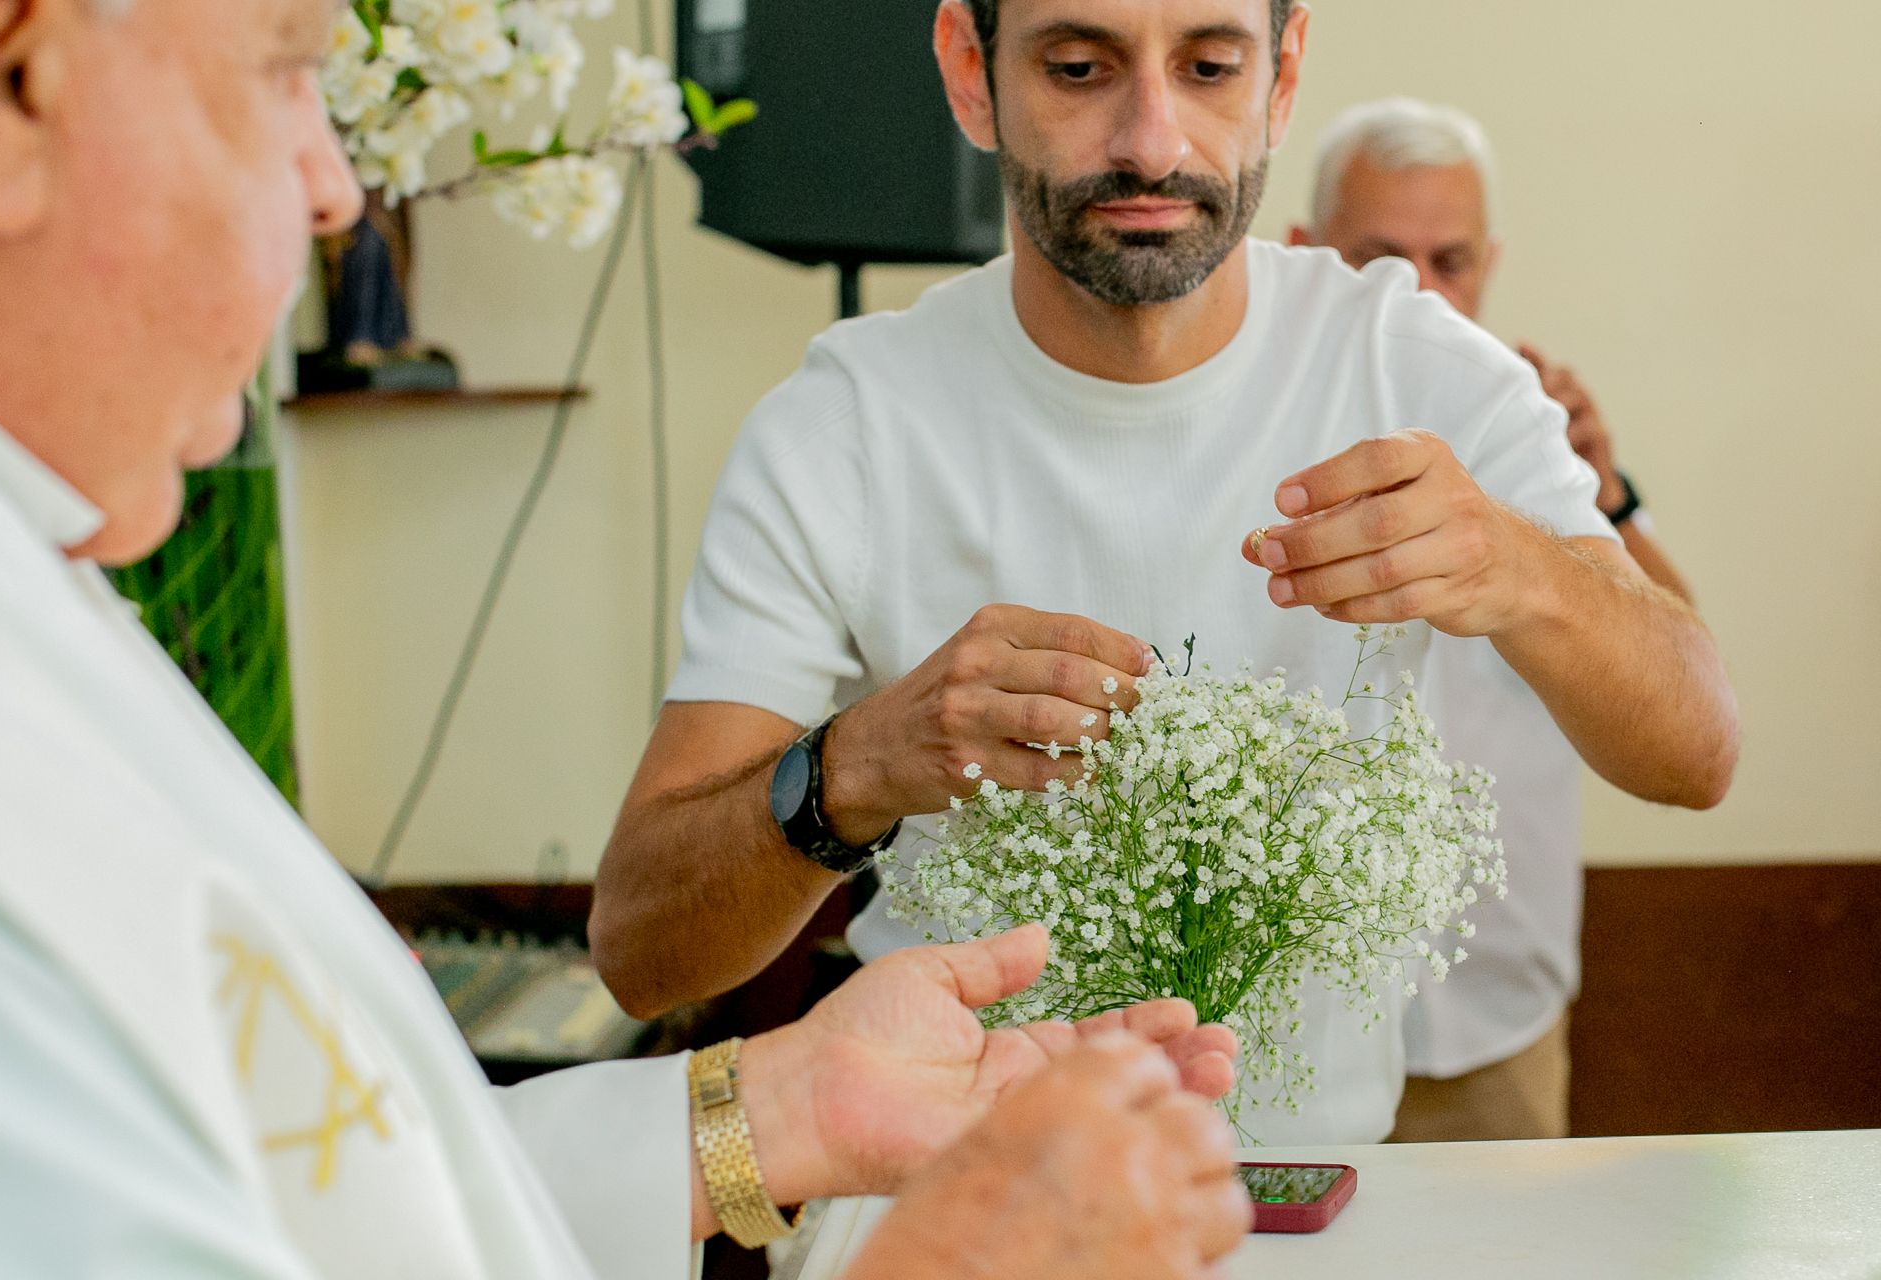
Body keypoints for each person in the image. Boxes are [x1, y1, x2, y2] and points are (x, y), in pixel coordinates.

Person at [0, 0, 1255, 1275]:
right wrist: (962, 1261)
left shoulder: (33, 594)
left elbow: (353, 1202)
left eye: (1209, 64)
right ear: (6, 87)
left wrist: (781, 1111)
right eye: (284, 73)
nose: (335, 191)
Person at [590, 0, 1740, 1147]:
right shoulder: (840, 426)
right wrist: (859, 764)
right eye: (1080, 67)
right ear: (968, 73)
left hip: (1321, 1203)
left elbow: (1698, 750)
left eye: (1208, 65)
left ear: (1282, 78)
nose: (1151, 141)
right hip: (954, 1203)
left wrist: (1521, 565)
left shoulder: (1418, 367)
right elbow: (643, 951)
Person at [1290, 97, 1698, 1141]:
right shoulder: (1254, 434)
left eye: (1451, 260)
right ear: (1302, 251)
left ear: (1491, 265)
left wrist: (1610, 501)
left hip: (1497, 1036)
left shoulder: (1536, 437)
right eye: (1381, 257)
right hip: (1280, 1043)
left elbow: (1689, 706)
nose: (1419, 293)